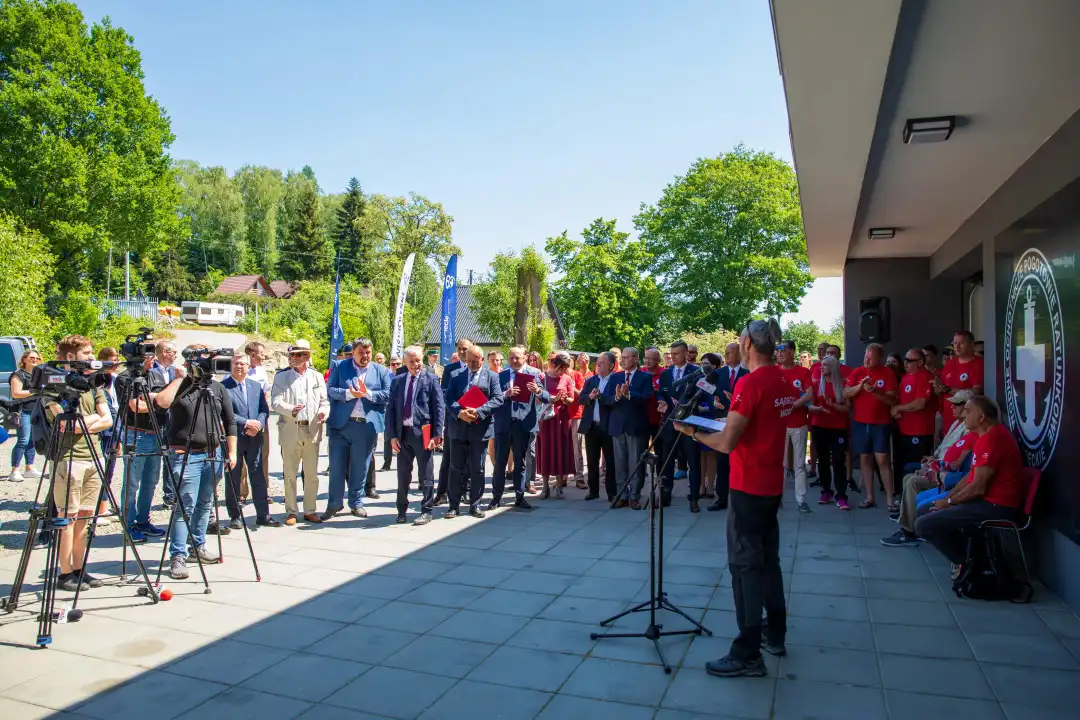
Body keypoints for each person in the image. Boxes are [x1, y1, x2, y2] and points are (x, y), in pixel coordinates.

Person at [675, 319, 795, 678]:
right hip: (771, 483)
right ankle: (775, 634)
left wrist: (694, 432)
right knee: (768, 561)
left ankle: (747, 652)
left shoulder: (751, 382)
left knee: (744, 567)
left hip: (748, 485)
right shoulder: (783, 379)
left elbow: (727, 442)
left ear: (746, 344)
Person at [914, 396, 1025, 574]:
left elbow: (978, 487)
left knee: (923, 525)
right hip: (984, 501)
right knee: (924, 509)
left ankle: (969, 563)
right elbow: (969, 478)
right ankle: (969, 557)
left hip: (996, 506)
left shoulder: (993, 438)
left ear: (981, 416)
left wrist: (949, 503)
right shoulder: (984, 437)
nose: (964, 415)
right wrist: (950, 497)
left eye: (967, 411)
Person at [154, 344, 238, 579]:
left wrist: (231, 452)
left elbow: (230, 422)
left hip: (213, 454)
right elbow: (161, 401)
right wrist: (180, 378)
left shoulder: (217, 387)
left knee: (204, 503)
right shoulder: (181, 385)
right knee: (184, 506)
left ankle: (197, 547)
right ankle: (178, 555)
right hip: (185, 455)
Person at [43, 335, 112, 591]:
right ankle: (64, 572)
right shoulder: (53, 385)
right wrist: (89, 420)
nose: (92, 357)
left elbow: (108, 420)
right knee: (67, 518)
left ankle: (80, 568)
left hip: (93, 456)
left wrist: (85, 420)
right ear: (71, 357)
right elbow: (64, 424)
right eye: (87, 353)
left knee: (86, 517)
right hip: (68, 460)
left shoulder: (95, 384)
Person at [882, 390, 975, 546]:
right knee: (908, 475)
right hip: (943, 469)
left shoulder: (971, 430)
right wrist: (933, 460)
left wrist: (937, 470)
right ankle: (907, 517)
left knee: (912, 480)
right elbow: (946, 450)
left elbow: (961, 467)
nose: (952, 408)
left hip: (950, 477)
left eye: (957, 405)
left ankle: (909, 532)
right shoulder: (956, 423)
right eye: (952, 404)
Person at [324, 338, 393, 520]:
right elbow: (330, 390)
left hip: (365, 426)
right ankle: (334, 504)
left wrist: (368, 394)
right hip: (341, 425)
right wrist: (349, 394)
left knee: (360, 468)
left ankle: (356, 503)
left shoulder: (381, 371)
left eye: (368, 352)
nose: (365, 356)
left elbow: (388, 394)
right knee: (337, 467)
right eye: (361, 352)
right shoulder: (340, 367)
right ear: (353, 352)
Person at [270, 340, 329, 525]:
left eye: (298, 354)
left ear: (307, 356)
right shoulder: (282, 377)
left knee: (311, 473)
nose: (294, 358)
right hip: (290, 429)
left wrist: (323, 413)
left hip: (312, 429)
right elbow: (276, 401)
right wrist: (290, 409)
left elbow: (325, 401)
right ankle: (291, 511)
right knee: (290, 473)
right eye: (292, 354)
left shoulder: (317, 377)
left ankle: (310, 510)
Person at [385, 345, 444, 525]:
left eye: (418, 360)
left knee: (426, 474)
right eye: (411, 361)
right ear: (405, 362)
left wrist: (437, 435)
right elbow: (391, 410)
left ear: (422, 359)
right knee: (403, 475)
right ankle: (401, 510)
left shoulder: (431, 379)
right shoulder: (398, 380)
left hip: (423, 434)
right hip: (403, 434)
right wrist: (392, 436)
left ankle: (426, 510)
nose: (415, 364)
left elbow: (439, 408)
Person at [444, 345, 503, 517]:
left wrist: (480, 411)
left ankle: (475, 505)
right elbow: (448, 397)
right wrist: (459, 412)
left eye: (474, 360)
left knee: (477, 469)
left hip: (480, 429)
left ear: (482, 360)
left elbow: (498, 399)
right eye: (468, 360)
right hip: (458, 428)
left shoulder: (491, 376)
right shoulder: (456, 375)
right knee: (455, 468)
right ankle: (453, 506)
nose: (470, 364)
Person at [490, 346, 550, 510]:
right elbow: (492, 399)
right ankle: (496, 497)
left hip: (523, 425)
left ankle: (519, 496)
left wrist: (537, 390)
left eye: (517, 358)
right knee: (500, 462)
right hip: (504, 424)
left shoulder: (533, 375)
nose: (514, 361)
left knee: (520, 463)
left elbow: (546, 397)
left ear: (525, 358)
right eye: (511, 358)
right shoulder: (499, 376)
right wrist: (505, 394)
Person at [222, 354, 277, 528]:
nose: (239, 366)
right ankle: (235, 516)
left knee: (258, 476)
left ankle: (263, 515)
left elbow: (263, 409)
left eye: (242, 364)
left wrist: (259, 424)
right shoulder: (223, 387)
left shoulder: (255, 386)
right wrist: (246, 422)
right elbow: (225, 413)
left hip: (255, 438)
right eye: (236, 363)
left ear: (248, 367)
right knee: (234, 477)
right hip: (234, 438)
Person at [844, 343, 897, 510]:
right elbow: (846, 393)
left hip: (880, 423)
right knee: (865, 459)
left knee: (882, 460)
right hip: (860, 423)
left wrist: (875, 391)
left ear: (879, 358)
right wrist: (860, 387)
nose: (866, 360)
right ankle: (869, 497)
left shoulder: (888, 373)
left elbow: (892, 400)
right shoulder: (857, 372)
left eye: (870, 357)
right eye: (865, 356)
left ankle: (890, 499)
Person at [657, 340, 701, 511]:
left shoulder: (695, 372)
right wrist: (662, 401)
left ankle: (694, 498)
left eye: (676, 354)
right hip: (670, 423)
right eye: (671, 354)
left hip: (689, 423)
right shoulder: (666, 374)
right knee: (667, 460)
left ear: (684, 353)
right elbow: (662, 392)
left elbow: (702, 394)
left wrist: (688, 404)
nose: (672, 357)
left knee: (693, 460)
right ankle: (665, 496)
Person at [609, 347, 654, 508]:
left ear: (635, 358)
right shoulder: (616, 377)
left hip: (636, 426)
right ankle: (622, 494)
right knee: (619, 463)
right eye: (622, 357)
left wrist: (629, 395)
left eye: (627, 357)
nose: (623, 360)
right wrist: (616, 396)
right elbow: (607, 398)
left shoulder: (645, 377)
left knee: (636, 462)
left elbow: (648, 397)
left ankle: (635, 495)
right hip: (618, 426)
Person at [890, 348, 937, 495]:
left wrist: (899, 408)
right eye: (905, 359)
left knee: (914, 466)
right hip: (904, 429)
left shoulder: (924, 377)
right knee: (901, 464)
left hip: (919, 431)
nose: (905, 363)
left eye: (909, 360)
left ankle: (913, 499)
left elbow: (920, 403)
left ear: (920, 362)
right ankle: (901, 496)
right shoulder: (906, 377)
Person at [708, 342, 748, 512]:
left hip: (740, 422)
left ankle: (741, 497)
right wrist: (714, 402)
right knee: (722, 460)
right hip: (721, 420)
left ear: (739, 355)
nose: (726, 356)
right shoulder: (718, 374)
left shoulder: (748, 374)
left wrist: (735, 402)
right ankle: (722, 497)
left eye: (729, 353)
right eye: (724, 353)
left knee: (740, 461)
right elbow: (708, 393)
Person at [808, 355, 852, 509]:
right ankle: (826, 490)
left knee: (839, 460)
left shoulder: (843, 385)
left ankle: (841, 495)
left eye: (825, 365)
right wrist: (816, 409)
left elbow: (847, 409)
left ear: (833, 367)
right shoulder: (816, 385)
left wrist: (832, 405)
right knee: (823, 459)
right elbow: (811, 405)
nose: (821, 367)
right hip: (819, 425)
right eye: (821, 364)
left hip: (838, 427)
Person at [777, 339, 814, 513]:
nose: (779, 353)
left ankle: (801, 500)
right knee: (780, 463)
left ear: (792, 352)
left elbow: (809, 394)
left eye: (783, 349)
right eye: (777, 350)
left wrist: (793, 405)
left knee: (799, 464)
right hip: (779, 425)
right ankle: (778, 498)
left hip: (798, 423)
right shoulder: (774, 371)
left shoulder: (803, 372)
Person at [435, 338, 474, 505]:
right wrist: (458, 410)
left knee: (469, 460)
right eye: (460, 348)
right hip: (454, 419)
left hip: (473, 420)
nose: (462, 352)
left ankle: (465, 490)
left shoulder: (480, 369)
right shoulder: (450, 369)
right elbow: (444, 394)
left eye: (465, 348)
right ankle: (442, 492)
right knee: (448, 459)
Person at [536, 352, 577, 498]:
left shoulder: (566, 378)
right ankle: (545, 487)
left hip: (561, 420)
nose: (564, 370)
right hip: (546, 420)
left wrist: (566, 400)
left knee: (561, 451)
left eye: (566, 367)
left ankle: (559, 487)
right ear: (555, 364)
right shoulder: (541, 377)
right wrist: (550, 399)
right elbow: (536, 398)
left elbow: (572, 399)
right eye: (562, 367)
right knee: (546, 451)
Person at [578, 351, 617, 501]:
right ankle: (593, 491)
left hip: (608, 427)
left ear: (611, 365)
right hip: (591, 427)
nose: (598, 364)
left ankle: (612, 492)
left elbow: (615, 401)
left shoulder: (616, 380)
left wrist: (602, 397)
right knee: (592, 461)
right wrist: (590, 397)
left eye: (602, 362)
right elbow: (581, 398)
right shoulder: (591, 380)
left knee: (611, 461)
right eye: (598, 362)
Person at [241, 341, 273, 505]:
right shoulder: (238, 370)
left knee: (263, 456)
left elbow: (265, 397)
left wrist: (262, 420)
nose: (263, 356)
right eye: (261, 353)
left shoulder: (261, 371)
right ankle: (241, 493)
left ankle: (263, 492)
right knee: (241, 459)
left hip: (261, 420)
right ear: (252, 355)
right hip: (242, 422)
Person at [7, 349, 43, 482]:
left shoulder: (39, 374)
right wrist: (35, 391)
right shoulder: (18, 374)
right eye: (32, 358)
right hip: (24, 410)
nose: (35, 360)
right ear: (24, 360)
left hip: (37, 410)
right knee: (23, 440)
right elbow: (16, 393)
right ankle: (14, 470)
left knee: (32, 440)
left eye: (37, 359)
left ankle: (29, 468)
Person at [938, 330, 984, 399]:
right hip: (946, 409)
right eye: (955, 343)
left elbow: (976, 391)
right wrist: (937, 388)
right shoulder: (950, 362)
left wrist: (948, 390)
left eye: (961, 343)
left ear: (972, 345)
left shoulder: (979, 364)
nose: (957, 346)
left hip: (965, 409)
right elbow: (941, 389)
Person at [568, 352, 590, 488]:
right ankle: (563, 476)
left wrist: (572, 386)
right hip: (562, 416)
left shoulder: (577, 375)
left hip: (576, 414)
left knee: (577, 448)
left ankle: (579, 477)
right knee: (564, 448)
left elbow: (582, 394)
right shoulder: (558, 375)